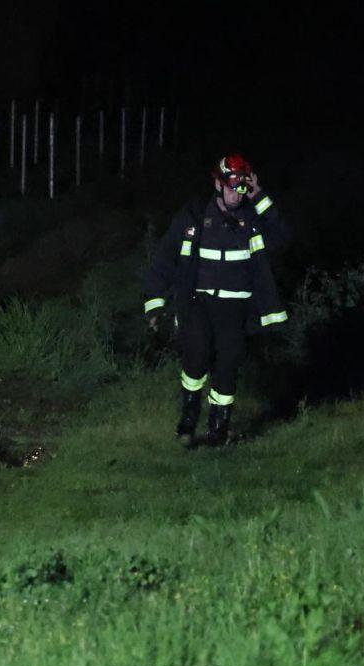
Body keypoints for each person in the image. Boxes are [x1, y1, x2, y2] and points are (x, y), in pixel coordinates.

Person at [143, 153, 289, 446]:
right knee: (195, 357)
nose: (238, 193)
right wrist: (155, 303)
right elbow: (165, 258)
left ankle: (218, 429)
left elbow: (283, 236)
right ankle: (188, 419)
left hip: (236, 306)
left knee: (228, 363)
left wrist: (260, 195)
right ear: (218, 184)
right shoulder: (195, 215)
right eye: (233, 186)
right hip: (197, 303)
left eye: (243, 187)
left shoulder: (252, 216)